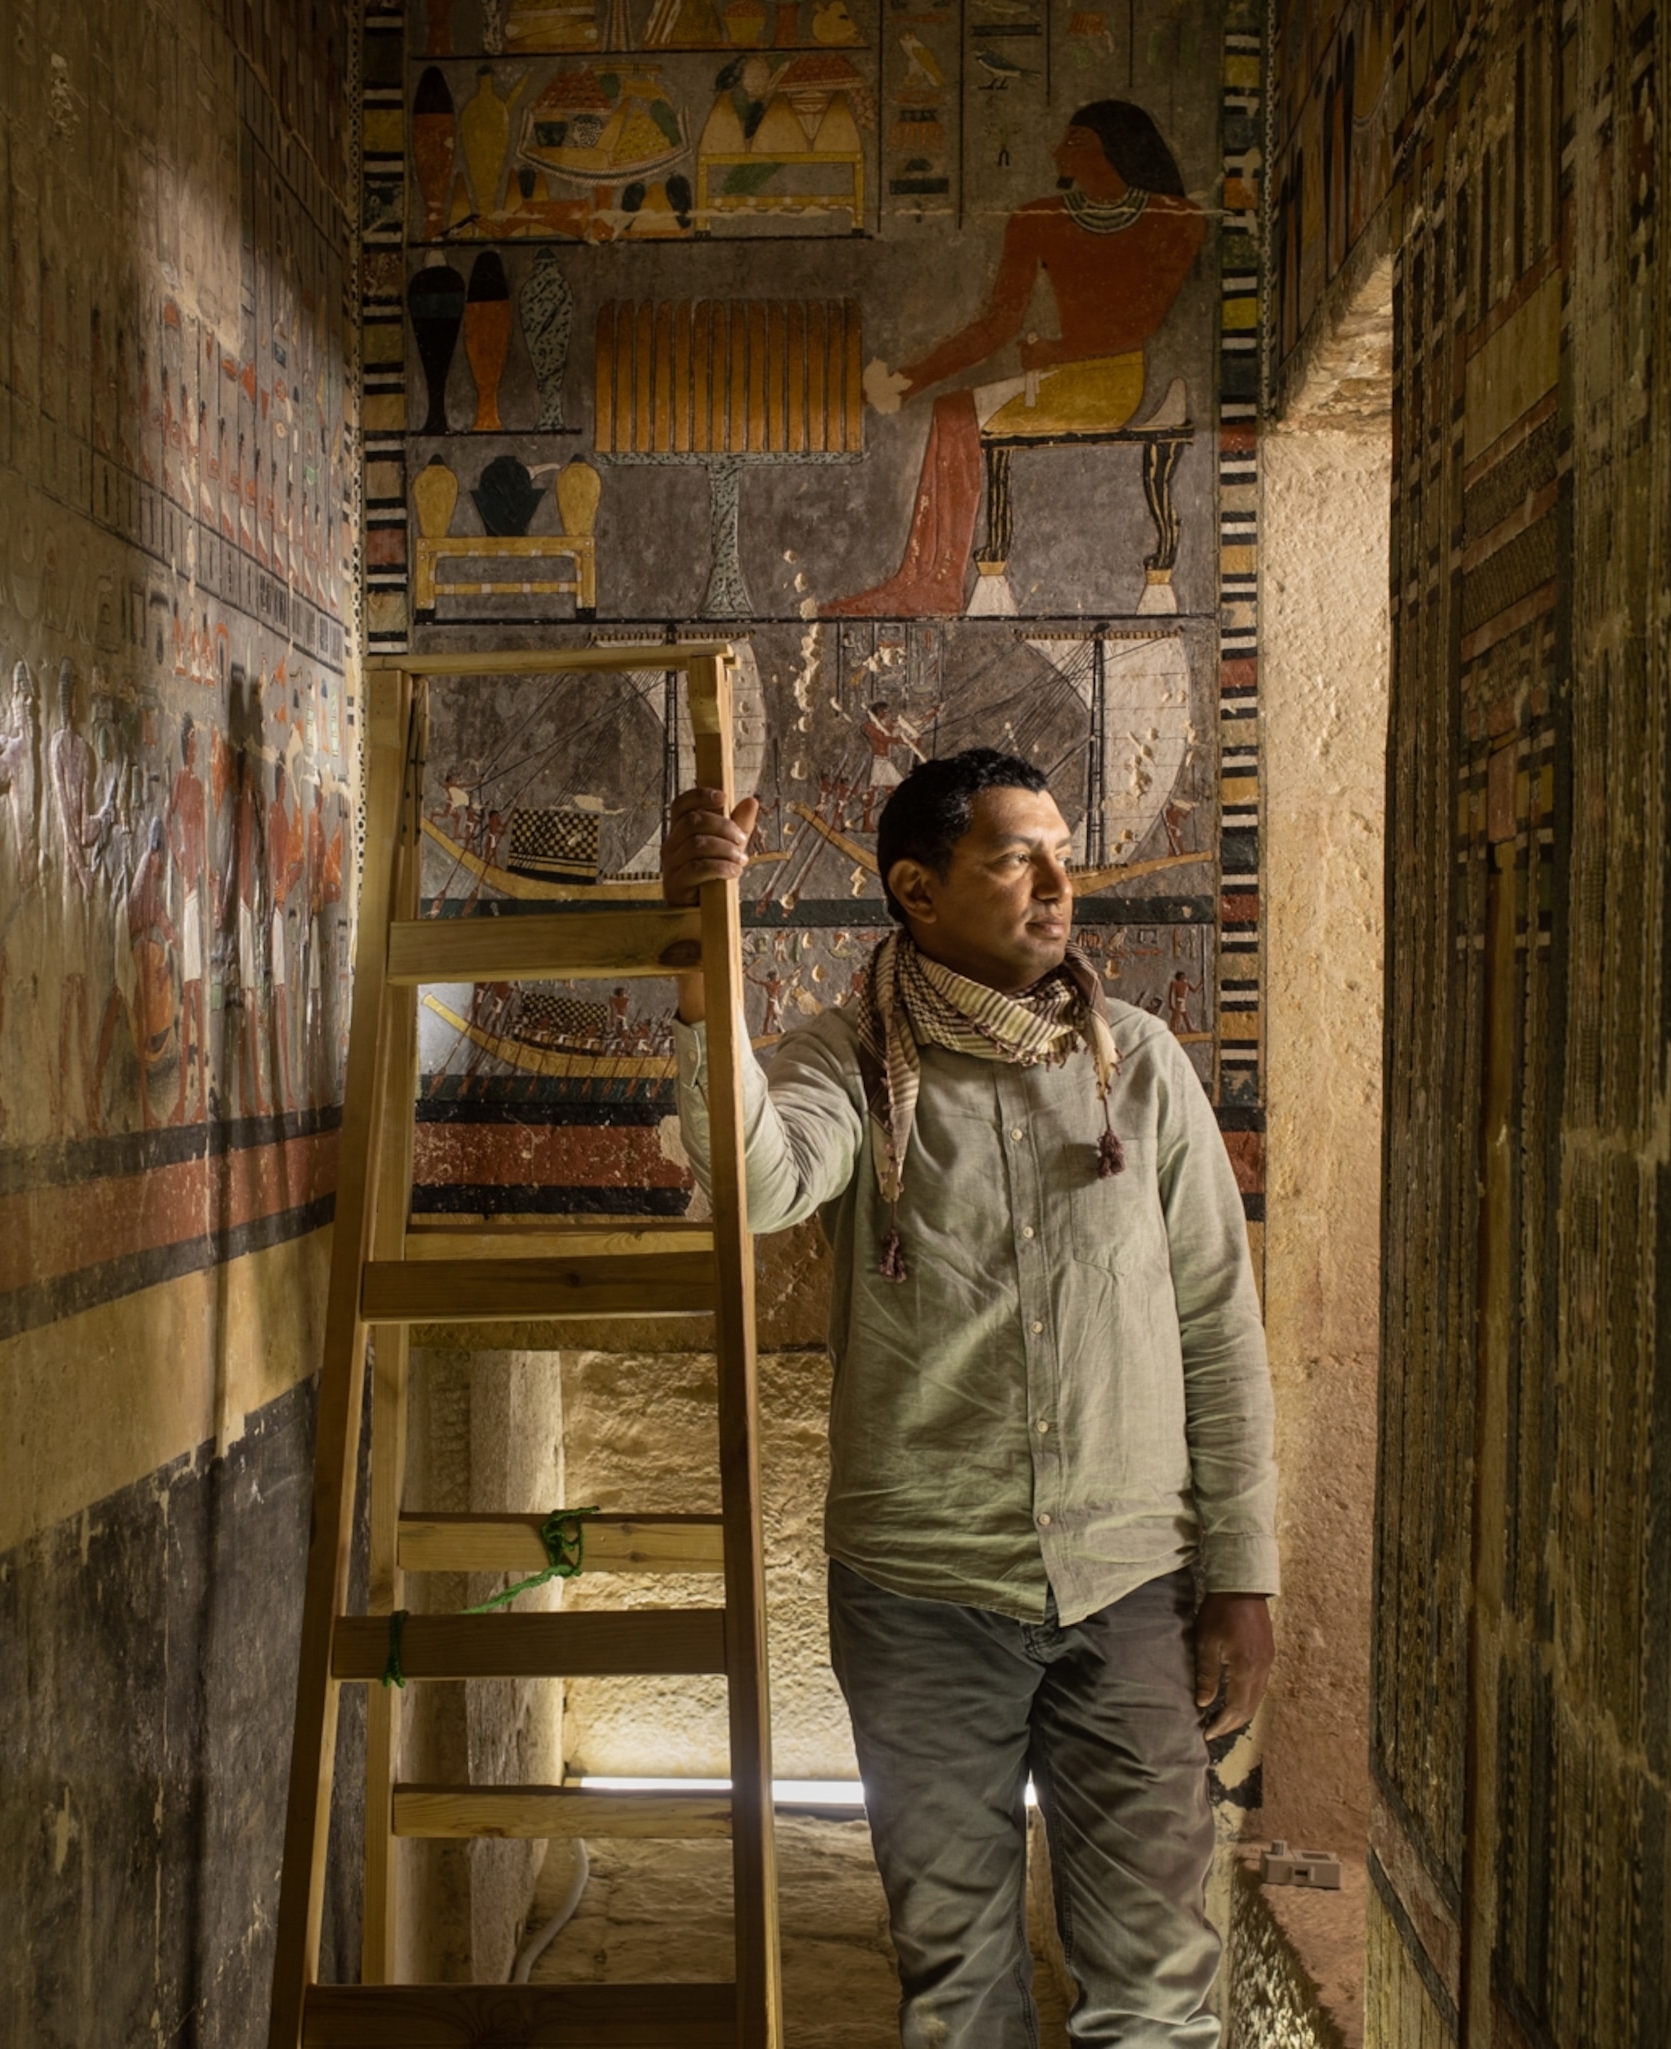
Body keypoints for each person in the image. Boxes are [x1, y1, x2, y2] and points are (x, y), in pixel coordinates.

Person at [661, 751, 1273, 2049]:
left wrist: (1244, 1576)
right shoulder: (852, 1065)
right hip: (922, 1596)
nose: (1059, 885)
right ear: (916, 890)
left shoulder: (1141, 1071)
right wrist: (699, 957)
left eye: (1061, 852)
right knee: (958, 1988)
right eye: (1015, 859)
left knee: (1160, 1987)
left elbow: (1218, 1327)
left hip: (1131, 1590)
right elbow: (762, 1181)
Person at [829, 101, 1205, 617]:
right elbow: (995, 326)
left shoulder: (1176, 218)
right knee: (950, 409)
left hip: (1113, 385)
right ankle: (919, 577)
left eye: (1074, 141)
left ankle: (935, 583)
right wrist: (907, 380)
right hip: (1060, 377)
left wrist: (1055, 350)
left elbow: (1141, 323)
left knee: (956, 414)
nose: (1058, 151)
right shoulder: (1037, 218)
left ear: (1113, 148)